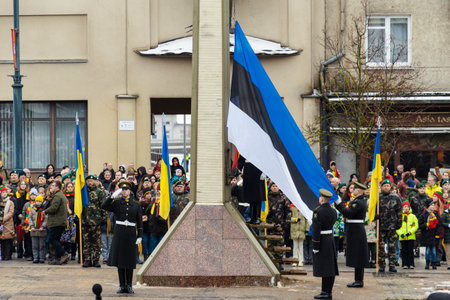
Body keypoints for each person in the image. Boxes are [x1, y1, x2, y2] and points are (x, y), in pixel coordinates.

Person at [102, 181, 143, 294]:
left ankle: (129, 285)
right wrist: (112, 196)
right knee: (120, 261)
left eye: (126, 189)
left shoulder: (135, 204)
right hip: (119, 233)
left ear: (129, 191)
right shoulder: (116, 202)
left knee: (129, 261)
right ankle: (122, 285)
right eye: (122, 189)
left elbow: (139, 222)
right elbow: (104, 206)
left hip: (130, 234)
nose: (124, 191)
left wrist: (139, 235)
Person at [334, 182, 368, 288]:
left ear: (359, 191)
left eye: (355, 189)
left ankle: (359, 280)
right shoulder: (359, 201)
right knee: (358, 255)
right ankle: (358, 279)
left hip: (356, 230)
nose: (353, 190)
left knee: (358, 255)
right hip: (356, 229)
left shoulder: (357, 202)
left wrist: (339, 204)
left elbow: (348, 213)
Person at [312, 189, 338, 299]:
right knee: (330, 267)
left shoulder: (318, 211)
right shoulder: (333, 211)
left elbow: (316, 230)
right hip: (330, 239)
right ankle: (327, 291)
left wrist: (315, 246)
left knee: (324, 267)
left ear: (322, 198)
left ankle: (326, 292)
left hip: (322, 240)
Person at [375, 180, 402, 272]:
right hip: (381, 225)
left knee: (392, 246)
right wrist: (375, 216)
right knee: (381, 247)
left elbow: (399, 210)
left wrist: (399, 222)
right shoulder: (378, 197)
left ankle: (392, 264)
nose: (386, 187)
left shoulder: (395, 197)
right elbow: (372, 210)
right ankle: (381, 265)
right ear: (381, 187)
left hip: (392, 225)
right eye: (384, 186)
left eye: (388, 186)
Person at [81, 175, 107, 268]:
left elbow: (103, 206)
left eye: (91, 181)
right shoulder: (83, 192)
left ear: (95, 181)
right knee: (86, 241)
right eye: (88, 181)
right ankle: (87, 259)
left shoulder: (100, 192)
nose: (89, 182)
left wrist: (104, 218)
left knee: (96, 241)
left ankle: (96, 260)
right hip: (85, 220)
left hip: (96, 221)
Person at [44, 181, 70, 265]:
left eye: (53, 186)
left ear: (57, 187)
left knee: (52, 240)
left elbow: (54, 208)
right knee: (56, 239)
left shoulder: (57, 196)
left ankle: (63, 253)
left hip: (57, 222)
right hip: (60, 221)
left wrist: (45, 211)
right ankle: (57, 258)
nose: (51, 187)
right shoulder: (60, 195)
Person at [237, 156, 265, 224]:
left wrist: (264, 172)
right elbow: (241, 159)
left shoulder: (262, 148)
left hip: (258, 171)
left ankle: (257, 217)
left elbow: (266, 159)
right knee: (251, 197)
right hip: (248, 171)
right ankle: (252, 217)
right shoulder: (246, 147)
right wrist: (239, 169)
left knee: (258, 197)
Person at [396, 201, 419, 269]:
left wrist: (410, 232)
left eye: (407, 207)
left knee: (410, 251)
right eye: (405, 207)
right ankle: (404, 263)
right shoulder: (400, 216)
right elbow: (397, 227)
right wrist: (401, 234)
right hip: (403, 237)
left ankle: (411, 263)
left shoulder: (413, 216)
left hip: (410, 236)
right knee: (404, 250)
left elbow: (415, 225)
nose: (406, 208)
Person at [419, 202, 441, 270]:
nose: (433, 206)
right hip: (426, 235)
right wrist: (425, 225)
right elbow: (420, 225)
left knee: (434, 250)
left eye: (433, 205)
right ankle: (427, 263)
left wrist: (437, 233)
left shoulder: (436, 215)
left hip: (433, 235)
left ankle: (434, 263)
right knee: (427, 250)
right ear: (428, 206)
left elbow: (439, 225)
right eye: (431, 205)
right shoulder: (424, 215)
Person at [28, 195, 48, 263]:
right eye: (37, 201)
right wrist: (31, 226)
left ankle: (42, 257)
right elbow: (29, 218)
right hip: (34, 229)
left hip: (41, 229)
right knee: (35, 245)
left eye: (40, 201)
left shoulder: (44, 210)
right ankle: (35, 257)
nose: (38, 203)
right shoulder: (32, 209)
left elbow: (46, 219)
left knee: (42, 245)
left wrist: (43, 226)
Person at [290, 203, 307, 267]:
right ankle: (295, 261)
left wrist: (306, 229)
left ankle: (300, 261)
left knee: (301, 246)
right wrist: (295, 219)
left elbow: (306, 219)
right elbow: (289, 218)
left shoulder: (303, 208)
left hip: (301, 230)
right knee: (295, 247)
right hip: (294, 230)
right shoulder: (292, 208)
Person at [0, 186, 14, 260]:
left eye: (5, 192)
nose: (4, 194)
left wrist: (3, 219)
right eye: (3, 192)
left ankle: (8, 255)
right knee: (2, 240)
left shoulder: (10, 202)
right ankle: (2, 255)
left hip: (8, 223)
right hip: (0, 224)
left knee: (8, 240)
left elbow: (11, 212)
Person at [441, 205, 450, 270]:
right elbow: (442, 223)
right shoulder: (445, 214)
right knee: (448, 251)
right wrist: (448, 225)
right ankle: (449, 264)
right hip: (447, 235)